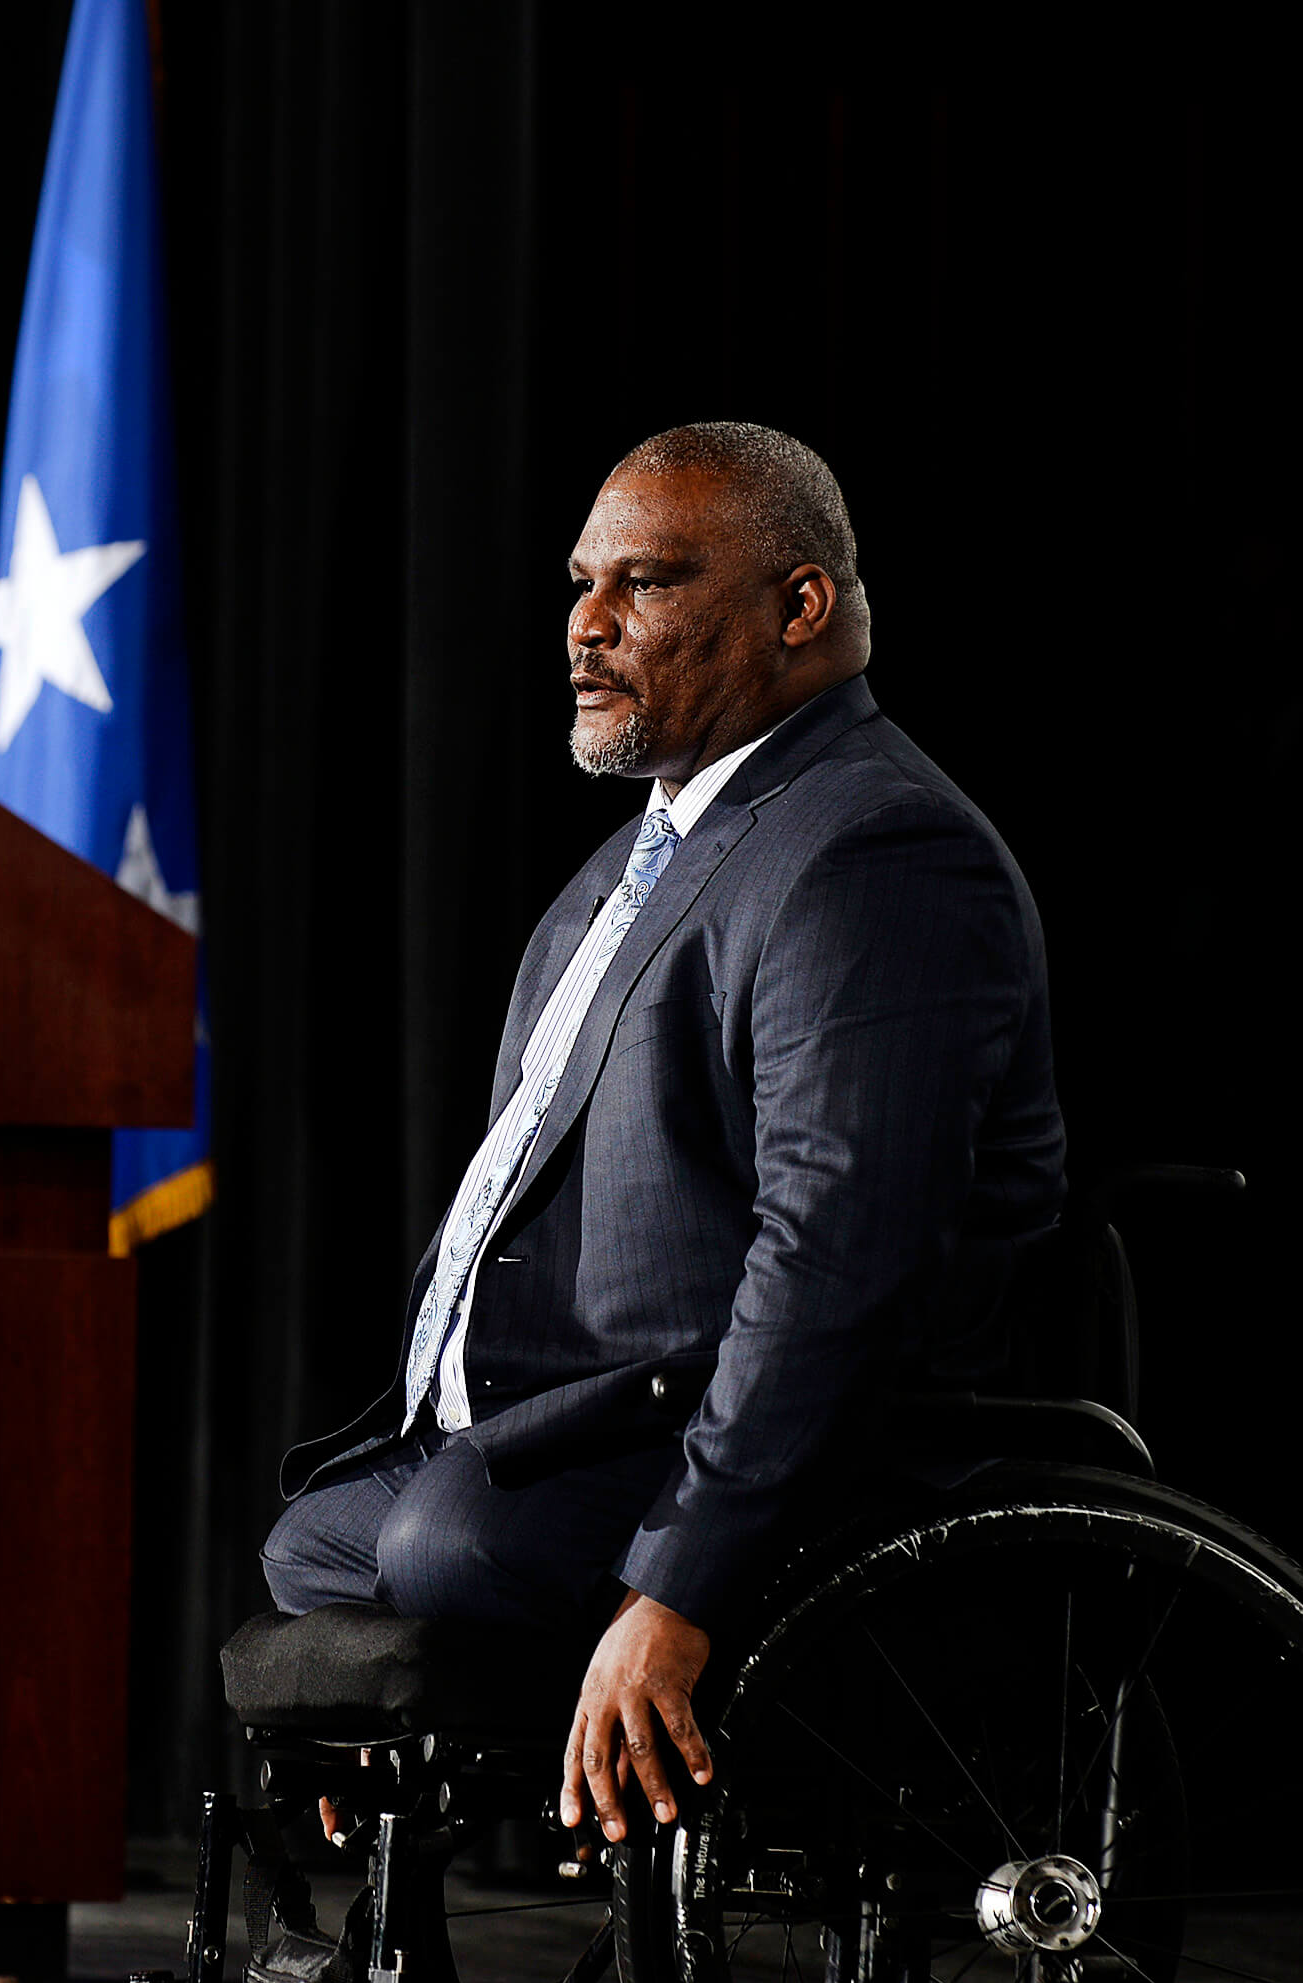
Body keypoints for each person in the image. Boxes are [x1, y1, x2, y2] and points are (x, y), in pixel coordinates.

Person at [257, 421, 1065, 1850]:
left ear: (798, 608)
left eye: (645, 582)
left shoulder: (875, 848)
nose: (587, 624)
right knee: (315, 1536)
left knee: (439, 1544)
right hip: (573, 1416)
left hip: (764, 1430)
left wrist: (680, 1584)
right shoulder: (630, 866)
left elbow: (841, 1257)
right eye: (581, 582)